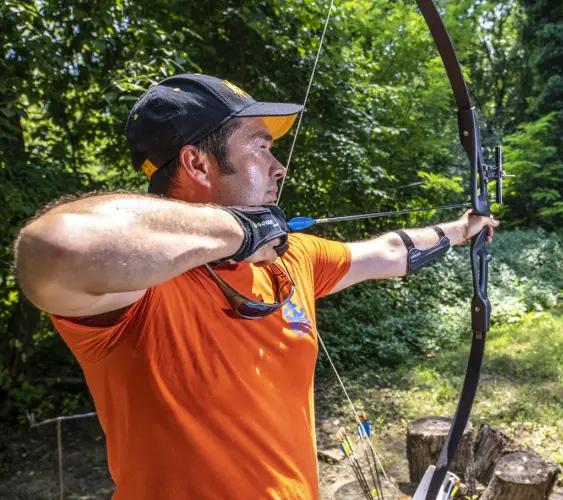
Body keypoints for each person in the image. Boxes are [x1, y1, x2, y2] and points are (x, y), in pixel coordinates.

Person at [12, 74, 498, 499]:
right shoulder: (140, 289)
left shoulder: (291, 258)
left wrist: (460, 230)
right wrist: (239, 230)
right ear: (198, 164)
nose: (278, 167)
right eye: (260, 147)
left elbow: (390, 253)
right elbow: (56, 248)